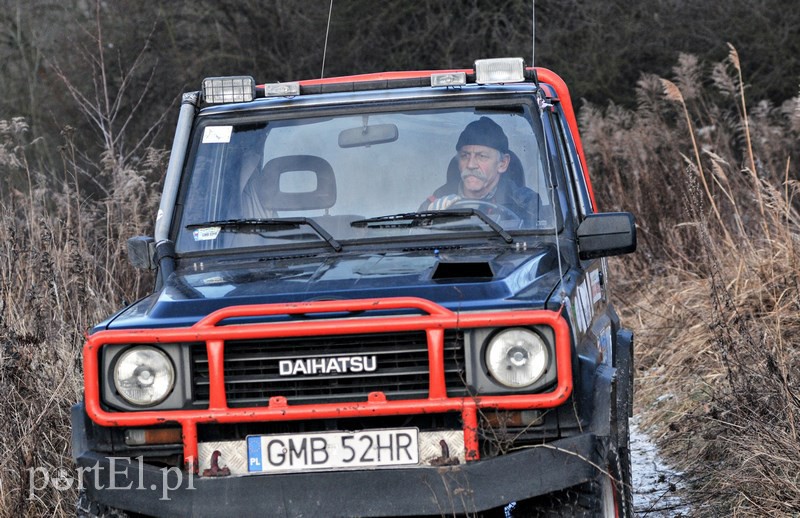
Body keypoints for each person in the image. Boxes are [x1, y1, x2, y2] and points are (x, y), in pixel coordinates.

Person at [422, 117, 541, 224]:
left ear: (503, 163)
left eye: (482, 156)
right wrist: (429, 220)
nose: (471, 164)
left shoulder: (525, 203)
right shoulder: (436, 201)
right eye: (465, 156)